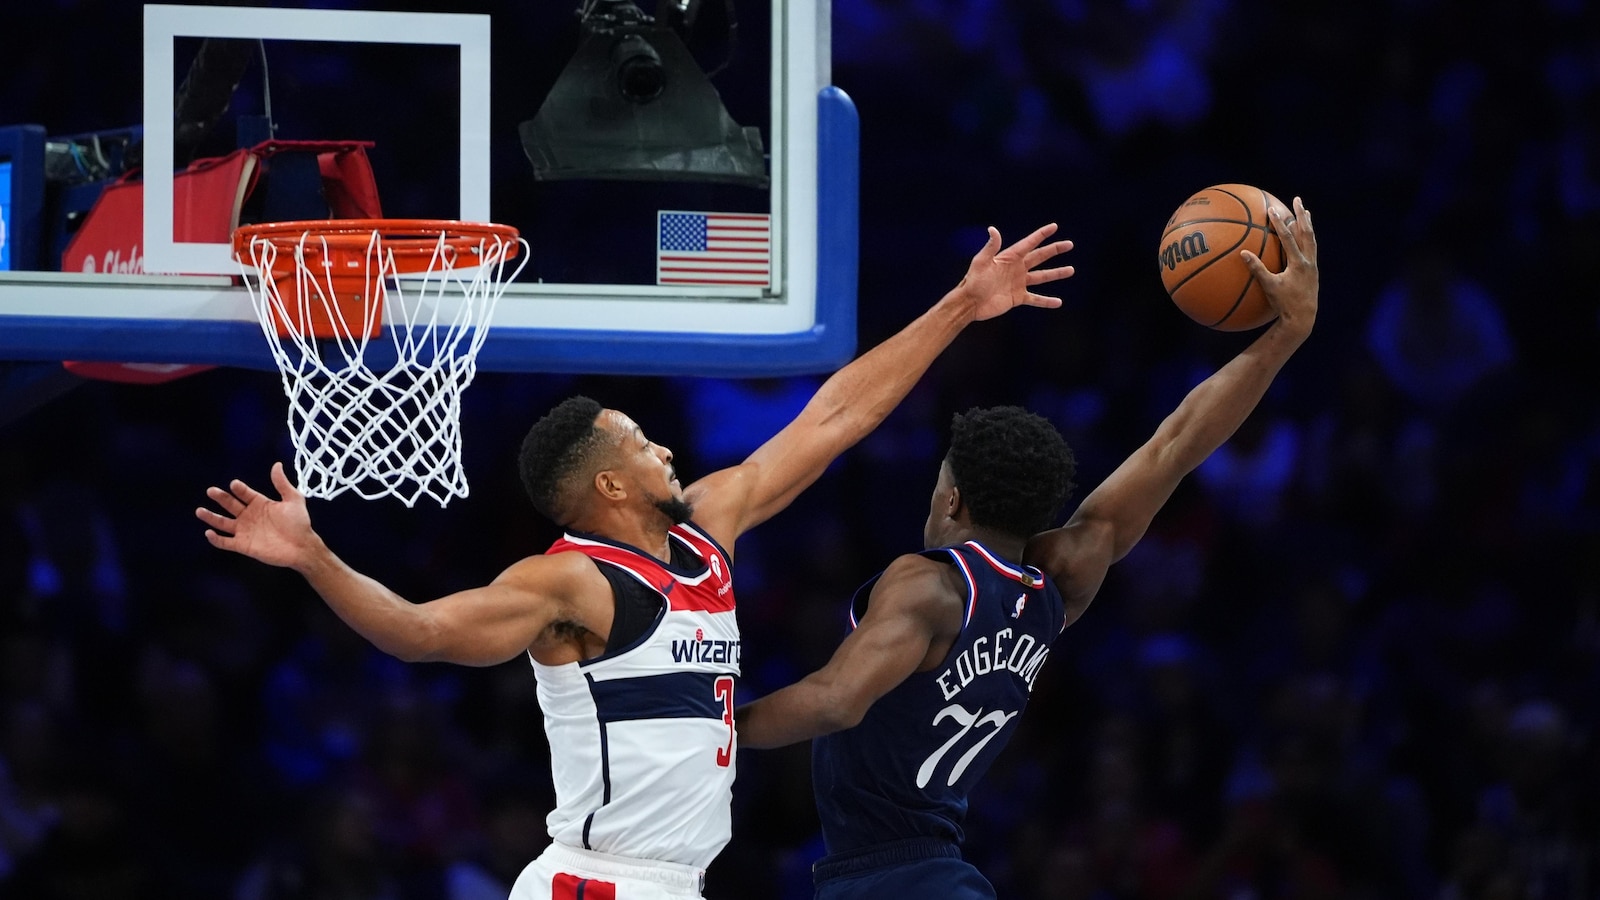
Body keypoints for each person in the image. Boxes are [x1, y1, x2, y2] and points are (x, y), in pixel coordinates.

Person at [194, 223, 1076, 900]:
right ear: (610, 484)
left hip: (674, 883)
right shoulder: (567, 581)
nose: (666, 449)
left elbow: (834, 420)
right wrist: (314, 557)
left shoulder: (707, 529)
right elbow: (422, 633)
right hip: (596, 882)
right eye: (644, 443)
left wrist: (962, 304)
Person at [734, 197, 1319, 899]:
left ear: (953, 500)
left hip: (899, 877)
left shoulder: (926, 587)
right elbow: (1175, 446)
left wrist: (711, 726)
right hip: (931, 869)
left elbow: (836, 700)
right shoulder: (1059, 581)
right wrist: (1286, 333)